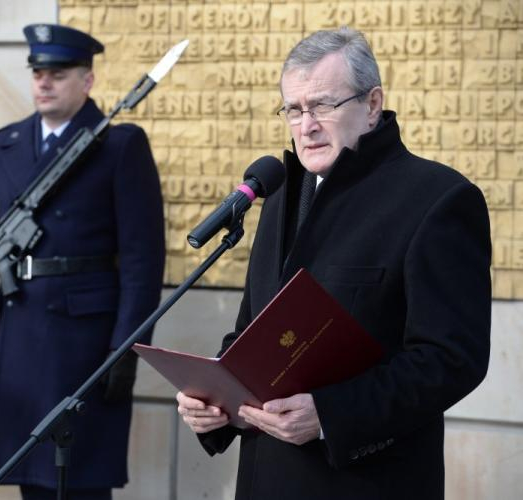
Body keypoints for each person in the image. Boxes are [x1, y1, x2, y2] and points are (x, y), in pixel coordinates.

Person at [177, 27, 491, 499]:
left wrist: (330, 415)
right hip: (265, 479)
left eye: (323, 105)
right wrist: (216, 404)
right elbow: (250, 333)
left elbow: (452, 360)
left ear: (371, 105)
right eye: (294, 109)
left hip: (365, 483)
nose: (307, 125)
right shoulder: (279, 193)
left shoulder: (439, 199)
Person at [0, 24, 165, 500]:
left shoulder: (119, 144)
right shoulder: (8, 142)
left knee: (80, 479)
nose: (43, 82)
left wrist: (129, 347)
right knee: (30, 476)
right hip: (21, 327)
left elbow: (144, 258)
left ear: (87, 81)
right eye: (38, 72)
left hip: (83, 336)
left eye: (57, 74)